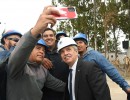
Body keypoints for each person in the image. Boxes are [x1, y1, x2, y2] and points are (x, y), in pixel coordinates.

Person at [6, 6, 66, 100]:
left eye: (43, 50)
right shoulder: (18, 67)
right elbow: (21, 50)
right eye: (38, 48)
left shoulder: (43, 70)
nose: (41, 51)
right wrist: (37, 29)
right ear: (29, 50)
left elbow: (59, 85)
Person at [42, 28, 69, 100]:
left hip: (64, 94)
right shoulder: (39, 52)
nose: (48, 38)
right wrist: (40, 59)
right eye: (45, 36)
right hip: (45, 95)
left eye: (51, 35)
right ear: (42, 38)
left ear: (55, 37)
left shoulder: (63, 50)